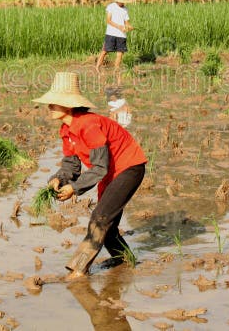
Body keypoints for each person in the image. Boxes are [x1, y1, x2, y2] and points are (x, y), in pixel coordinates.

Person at [33, 71, 147, 279]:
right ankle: (126, 261)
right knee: (109, 228)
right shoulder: (66, 131)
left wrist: (74, 188)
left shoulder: (88, 125)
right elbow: (71, 165)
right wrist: (59, 179)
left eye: (53, 103)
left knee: (100, 218)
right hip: (111, 174)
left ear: (68, 105)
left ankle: (78, 268)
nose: (48, 107)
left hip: (129, 168)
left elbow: (100, 167)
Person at [95, 0, 134, 74]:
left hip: (122, 35)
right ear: (117, 0)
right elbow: (108, 21)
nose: (122, 3)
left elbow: (127, 23)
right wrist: (119, 26)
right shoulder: (111, 6)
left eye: (123, 1)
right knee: (105, 50)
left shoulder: (125, 10)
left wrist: (129, 26)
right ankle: (97, 67)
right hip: (111, 33)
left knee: (120, 53)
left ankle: (116, 70)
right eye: (121, 1)